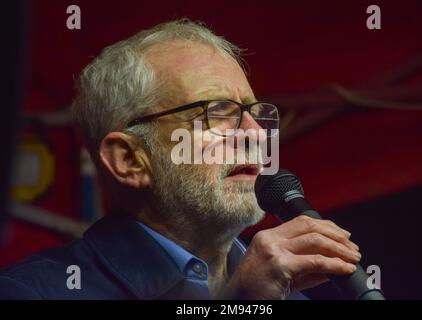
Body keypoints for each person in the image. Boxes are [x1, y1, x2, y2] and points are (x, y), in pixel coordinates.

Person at [0, 19, 360, 299]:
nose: (254, 133)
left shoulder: (288, 293)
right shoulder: (32, 292)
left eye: (255, 112)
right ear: (130, 160)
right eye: (219, 112)